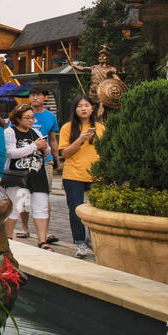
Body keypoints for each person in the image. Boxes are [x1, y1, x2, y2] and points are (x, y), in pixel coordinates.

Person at [59, 95, 105, 258]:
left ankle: (97, 242)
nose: (83, 108)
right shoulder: (68, 128)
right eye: (80, 106)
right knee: (75, 210)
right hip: (74, 175)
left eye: (87, 105)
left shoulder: (100, 128)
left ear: (92, 108)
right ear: (75, 109)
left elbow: (106, 152)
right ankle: (80, 243)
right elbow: (64, 153)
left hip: (96, 175)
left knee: (97, 211)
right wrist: (80, 139)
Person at [2, 103, 51, 247]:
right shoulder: (10, 132)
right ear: (17, 119)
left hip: (37, 173)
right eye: (27, 118)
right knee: (15, 207)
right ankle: (8, 238)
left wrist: (44, 147)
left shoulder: (35, 132)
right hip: (18, 175)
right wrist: (34, 146)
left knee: (40, 206)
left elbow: (46, 153)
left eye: (32, 118)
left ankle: (42, 240)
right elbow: (11, 153)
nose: (31, 121)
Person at [25, 86, 60, 238]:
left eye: (38, 95)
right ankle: (25, 228)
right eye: (32, 95)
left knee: (44, 196)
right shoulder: (22, 114)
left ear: (45, 97)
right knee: (23, 195)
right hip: (25, 159)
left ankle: (44, 231)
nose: (34, 98)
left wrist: (56, 157)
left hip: (45, 160)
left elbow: (52, 138)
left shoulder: (50, 117)